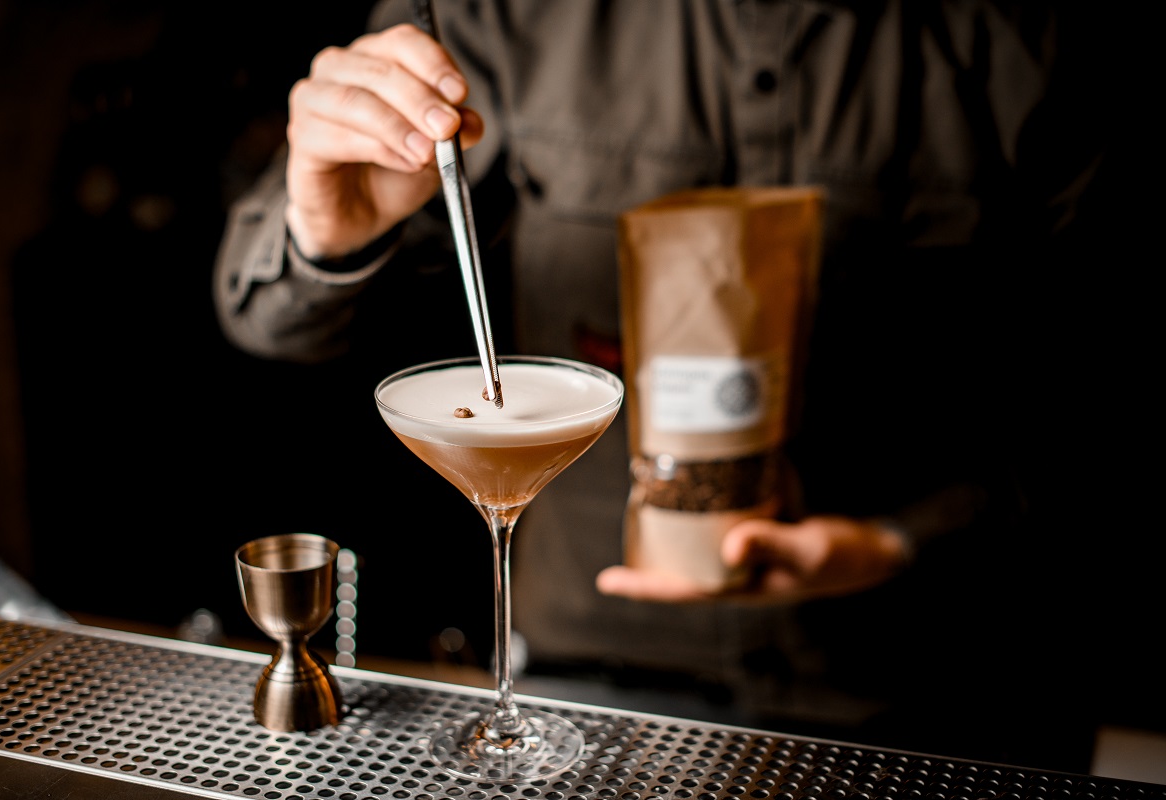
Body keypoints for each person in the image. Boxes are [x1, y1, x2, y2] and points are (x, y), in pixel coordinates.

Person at [213, 0, 1126, 773]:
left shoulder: (1030, 37)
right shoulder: (490, 14)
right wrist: (328, 229)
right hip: (586, 681)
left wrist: (900, 540)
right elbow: (267, 318)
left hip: (941, 685)